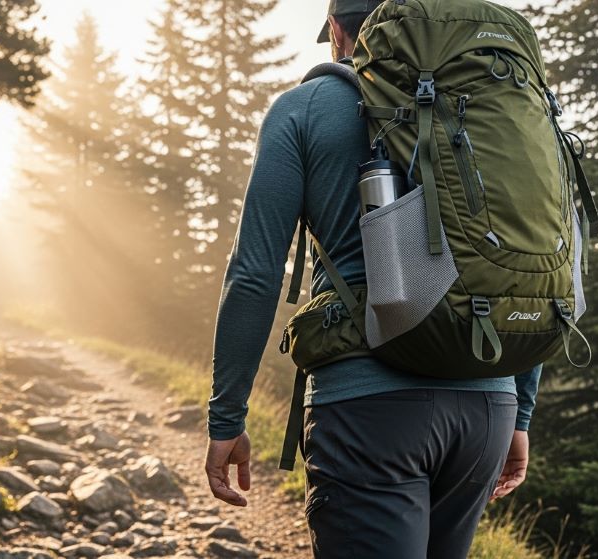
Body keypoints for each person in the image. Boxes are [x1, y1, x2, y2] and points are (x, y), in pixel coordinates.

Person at [204, 1, 542, 557]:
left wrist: (227, 417)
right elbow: (527, 259)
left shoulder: (305, 109)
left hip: (369, 409)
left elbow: (255, 275)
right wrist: (519, 409)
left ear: (338, 31)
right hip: (486, 409)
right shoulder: (488, 107)